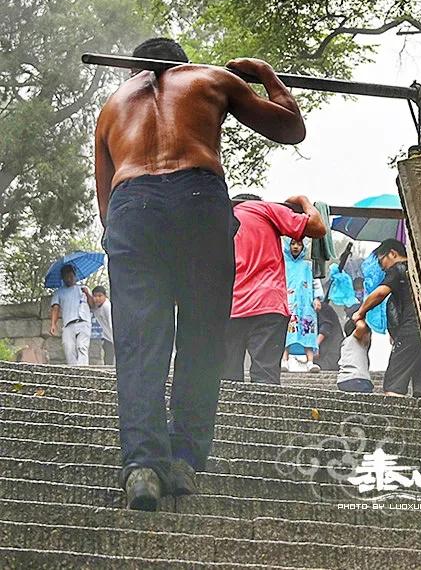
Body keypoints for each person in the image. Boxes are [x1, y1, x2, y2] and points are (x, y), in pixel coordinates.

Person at [94, 36, 306, 510]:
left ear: (134, 72)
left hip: (131, 208)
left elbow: (106, 204)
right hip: (198, 199)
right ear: (185, 64)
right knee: (203, 334)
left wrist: (129, 236)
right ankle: (185, 459)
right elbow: (292, 128)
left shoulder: (111, 108)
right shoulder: (211, 78)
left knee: (140, 341)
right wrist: (266, 73)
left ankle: (143, 466)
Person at [224, 195, 327, 385]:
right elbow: (318, 227)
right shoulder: (264, 209)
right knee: (266, 377)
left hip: (229, 307)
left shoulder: (219, 217)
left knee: (228, 380)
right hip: (268, 305)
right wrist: (303, 200)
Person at [353, 239, 421, 400]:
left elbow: (380, 293)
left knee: (394, 385)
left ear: (393, 254)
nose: (382, 268)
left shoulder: (399, 268)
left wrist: (360, 312)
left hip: (412, 329)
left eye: (382, 261)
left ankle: (395, 423)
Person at [280, 237, 320, 373]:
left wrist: (317, 298)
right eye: (292, 244)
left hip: (306, 305)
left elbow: (315, 282)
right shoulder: (282, 264)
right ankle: (284, 361)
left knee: (307, 332)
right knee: (286, 332)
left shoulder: (307, 265)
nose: (296, 247)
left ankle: (310, 362)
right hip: (288, 304)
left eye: (299, 244)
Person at [49, 265, 92, 366]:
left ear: (75, 276)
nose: (69, 279)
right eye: (66, 277)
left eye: (71, 276)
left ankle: (83, 372)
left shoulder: (83, 289)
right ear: (63, 278)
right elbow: (55, 308)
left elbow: (93, 305)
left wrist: (88, 294)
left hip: (83, 321)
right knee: (68, 348)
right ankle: (74, 372)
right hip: (68, 324)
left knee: (82, 346)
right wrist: (53, 324)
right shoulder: (59, 292)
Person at [337, 318, 374, 393]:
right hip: (357, 379)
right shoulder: (354, 339)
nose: (370, 338)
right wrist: (358, 316)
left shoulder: (347, 343)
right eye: (369, 334)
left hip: (344, 380)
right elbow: (361, 327)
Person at [84, 286, 115, 365]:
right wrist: (87, 293)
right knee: (108, 359)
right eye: (95, 296)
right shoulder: (97, 307)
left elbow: (112, 323)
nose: (97, 298)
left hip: (114, 337)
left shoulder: (107, 306)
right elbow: (91, 305)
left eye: (100, 296)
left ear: (105, 296)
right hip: (107, 338)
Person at [315, 296, 345, 371]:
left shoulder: (323, 307)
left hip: (330, 350)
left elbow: (325, 328)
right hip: (323, 352)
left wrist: (315, 346)